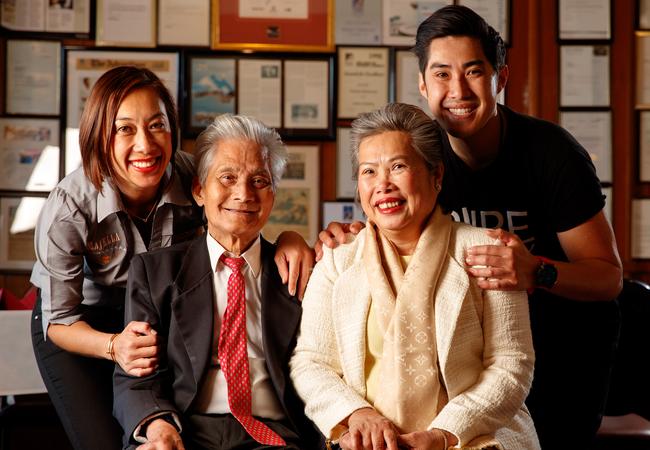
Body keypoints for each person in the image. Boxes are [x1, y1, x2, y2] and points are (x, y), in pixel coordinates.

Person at [319, 6, 623, 448]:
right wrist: (343, 240)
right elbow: (385, 223)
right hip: (473, 355)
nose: (457, 89)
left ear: (501, 77)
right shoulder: (420, 155)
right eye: (441, 74)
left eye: (474, 71)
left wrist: (535, 271)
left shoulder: (552, 154)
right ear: (423, 85)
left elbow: (608, 277)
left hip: (565, 348)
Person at [30, 66, 314, 450]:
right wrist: (114, 346)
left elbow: (237, 216)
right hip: (79, 321)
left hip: (154, 307)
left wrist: (289, 239)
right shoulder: (70, 206)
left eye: (157, 125)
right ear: (100, 135)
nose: (146, 146)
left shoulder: (187, 174)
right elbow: (60, 319)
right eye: (125, 129)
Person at [291, 102, 540, 450]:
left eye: (398, 167)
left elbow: (511, 365)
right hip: (369, 443)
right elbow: (311, 362)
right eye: (368, 172)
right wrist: (358, 414)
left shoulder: (487, 251)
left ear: (436, 176)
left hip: (472, 440)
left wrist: (443, 435)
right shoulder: (337, 260)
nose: (383, 185)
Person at [113, 113, 324, 450]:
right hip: (184, 430)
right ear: (199, 190)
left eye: (259, 181)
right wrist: (158, 427)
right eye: (227, 177)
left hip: (274, 435)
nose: (243, 194)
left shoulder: (300, 271)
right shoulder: (156, 272)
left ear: (273, 194)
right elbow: (138, 375)